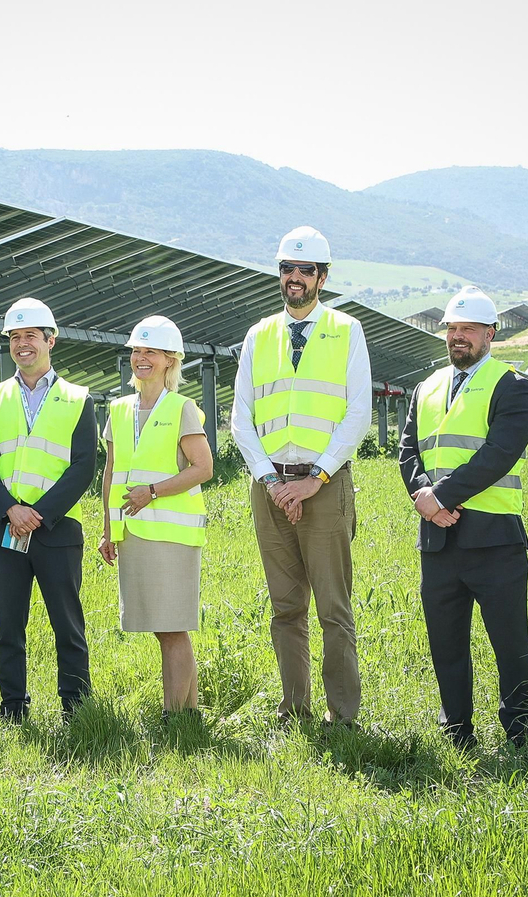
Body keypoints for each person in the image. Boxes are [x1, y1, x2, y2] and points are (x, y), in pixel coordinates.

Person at [230, 226, 373, 724]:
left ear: (323, 276)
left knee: (334, 608)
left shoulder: (346, 331)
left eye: (305, 270)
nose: (294, 278)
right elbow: (240, 417)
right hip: (270, 487)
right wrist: (272, 482)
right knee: (285, 607)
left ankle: (344, 716)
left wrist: (316, 477)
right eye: (287, 269)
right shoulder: (258, 334)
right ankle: (295, 710)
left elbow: (359, 412)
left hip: (324, 487)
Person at [398, 286, 528, 750]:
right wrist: (423, 496)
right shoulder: (426, 388)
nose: (458, 337)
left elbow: (499, 453)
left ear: (490, 334)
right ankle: (456, 732)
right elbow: (408, 451)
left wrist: (439, 497)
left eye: (468, 330)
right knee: (446, 645)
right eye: (452, 330)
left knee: (510, 644)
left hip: (494, 540)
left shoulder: (512, 386)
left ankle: (522, 732)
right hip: (439, 542)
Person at [0, 297, 98, 722]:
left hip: (55, 530)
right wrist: (10, 510)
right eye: (15, 337)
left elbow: (84, 465)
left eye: (31, 336)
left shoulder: (78, 399)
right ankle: (12, 706)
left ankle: (75, 709)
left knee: (68, 626)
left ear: (50, 340)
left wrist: (37, 514)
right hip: (6, 529)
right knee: (8, 627)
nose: (23, 344)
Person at [97, 315, 213, 718]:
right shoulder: (118, 409)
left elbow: (203, 468)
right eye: (137, 350)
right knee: (164, 627)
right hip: (134, 534)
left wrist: (153, 492)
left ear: (170, 360)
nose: (141, 357)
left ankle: (176, 716)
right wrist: (109, 528)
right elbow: (111, 473)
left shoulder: (182, 408)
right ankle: (186, 713)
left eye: (151, 351)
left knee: (171, 627)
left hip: (171, 537)